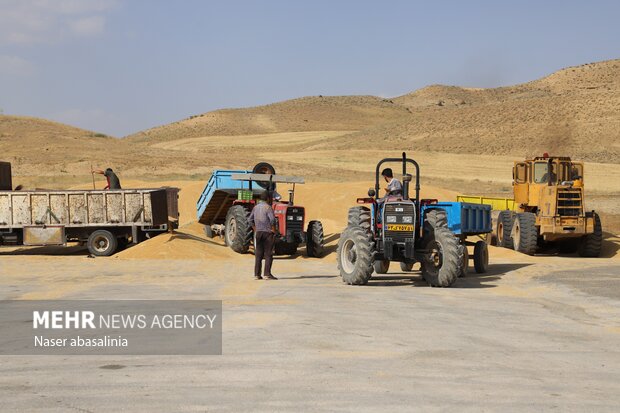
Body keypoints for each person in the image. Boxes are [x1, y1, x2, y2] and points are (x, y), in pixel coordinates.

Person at [249, 191, 277, 280]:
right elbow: (272, 220)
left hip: (259, 233)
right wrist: (273, 229)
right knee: (268, 254)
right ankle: (267, 274)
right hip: (268, 233)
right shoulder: (268, 208)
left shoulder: (255, 207)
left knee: (258, 254)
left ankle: (257, 275)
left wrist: (255, 229)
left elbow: (250, 220)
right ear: (268, 198)